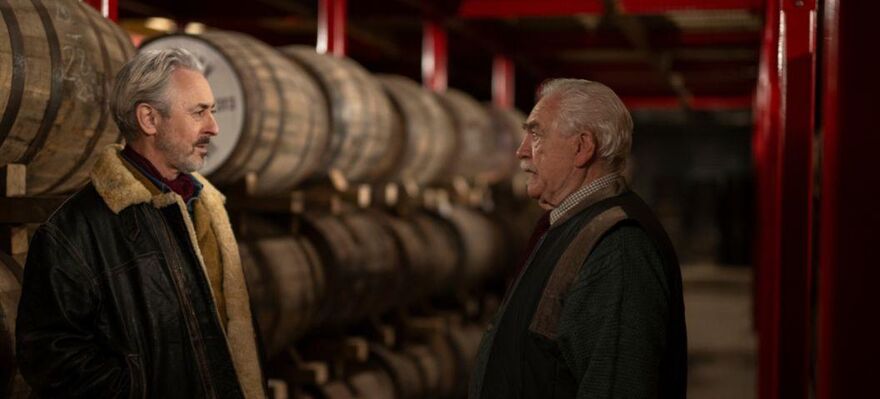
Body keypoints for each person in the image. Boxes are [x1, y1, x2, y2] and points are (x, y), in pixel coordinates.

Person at [15, 48, 265, 398]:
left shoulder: (206, 205)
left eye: (213, 111)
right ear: (149, 119)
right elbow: (51, 357)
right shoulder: (74, 231)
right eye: (199, 112)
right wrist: (143, 389)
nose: (214, 127)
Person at [469, 79, 687, 398]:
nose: (521, 151)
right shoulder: (568, 225)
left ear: (583, 147)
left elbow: (617, 386)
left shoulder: (619, 246)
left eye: (536, 134)